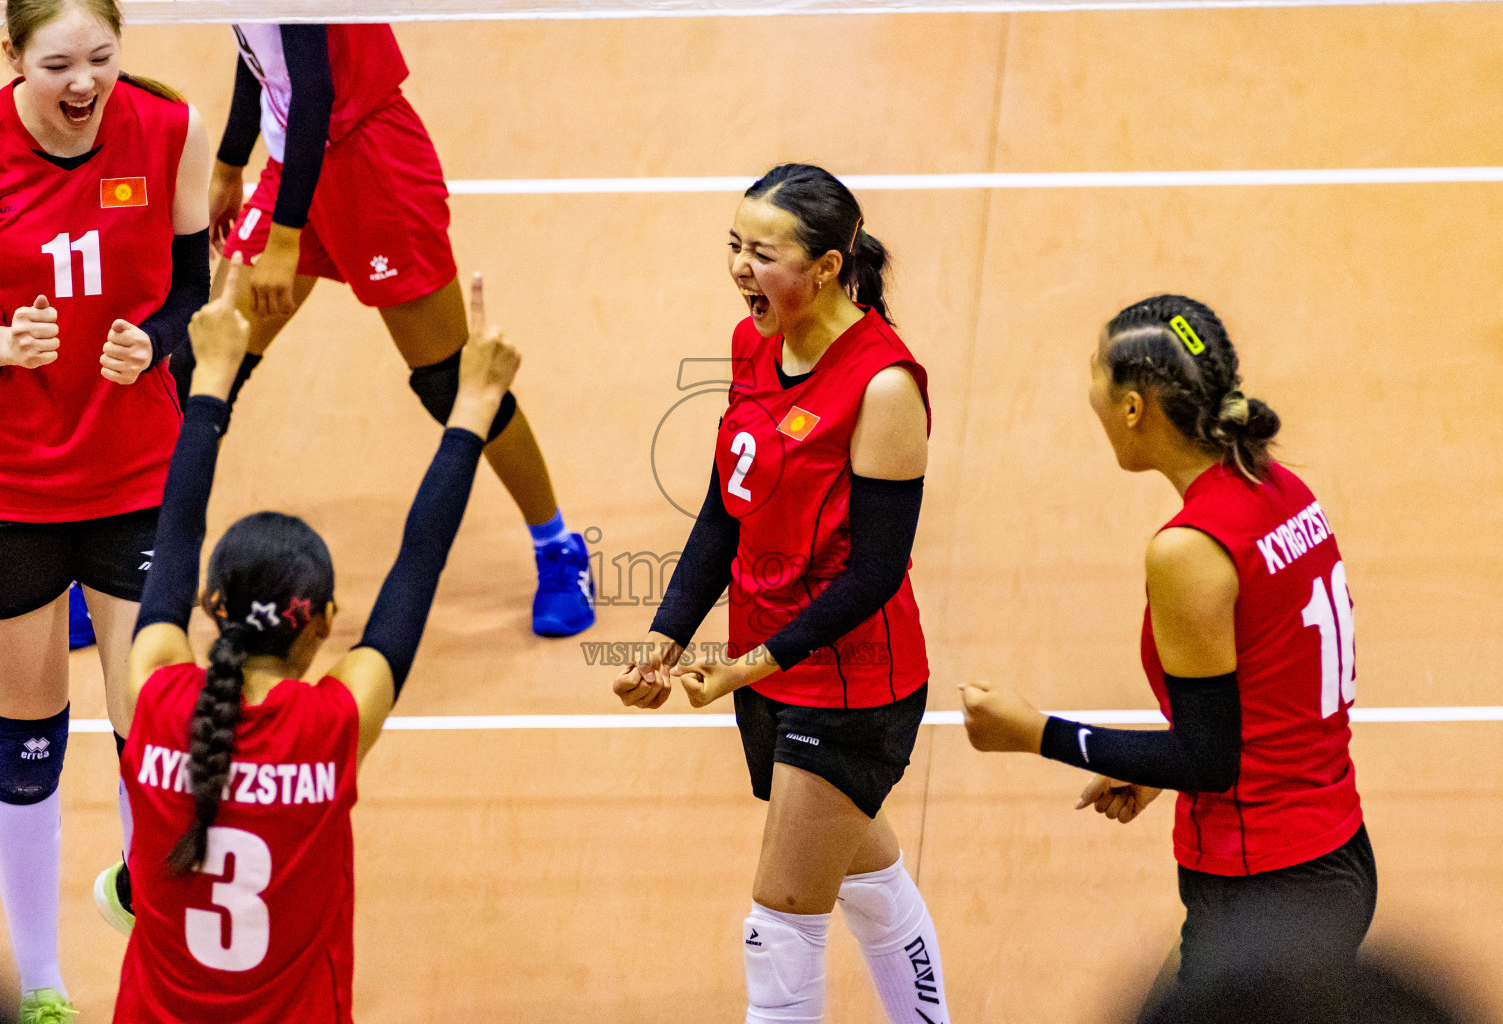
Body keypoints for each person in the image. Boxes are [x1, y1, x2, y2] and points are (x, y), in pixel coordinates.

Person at [111, 258, 518, 1021]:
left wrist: (211, 383)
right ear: (325, 622)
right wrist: (474, 404)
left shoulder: (157, 692)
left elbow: (173, 534)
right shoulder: (327, 729)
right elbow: (417, 569)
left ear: (210, 604)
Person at [960, 295, 1375, 1000]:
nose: (1087, 385)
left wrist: (1036, 734)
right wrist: (1159, 769)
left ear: (1131, 408)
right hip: (1329, 855)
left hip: (1264, 889)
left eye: (1094, 371)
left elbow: (1208, 761)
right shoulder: (1278, 485)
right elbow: (1265, 695)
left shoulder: (1189, 549)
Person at [613, 165, 952, 1024]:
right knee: (866, 879)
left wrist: (744, 666)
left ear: (830, 266)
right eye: (734, 246)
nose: (739, 268)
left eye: (762, 254)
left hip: (850, 686)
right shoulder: (751, 344)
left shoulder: (883, 387)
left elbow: (876, 573)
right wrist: (670, 634)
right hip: (768, 674)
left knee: (780, 926)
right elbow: (726, 507)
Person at [177, 22, 592, 638]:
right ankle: (146, 554)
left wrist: (285, 239)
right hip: (296, 159)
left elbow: (314, 90)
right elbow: (259, 54)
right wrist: (231, 162)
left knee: (452, 383)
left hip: (370, 163)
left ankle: (558, 547)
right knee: (205, 365)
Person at [0, 0, 209, 1017]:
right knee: (27, 741)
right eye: (59, 62)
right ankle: (38, 985)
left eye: (104, 60)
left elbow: (195, 295)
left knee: (150, 722)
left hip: (136, 474)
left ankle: (146, 926)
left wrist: (155, 343)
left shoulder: (170, 131)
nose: (84, 84)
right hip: (4, 485)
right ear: (11, 53)